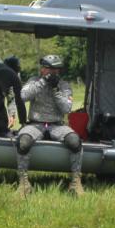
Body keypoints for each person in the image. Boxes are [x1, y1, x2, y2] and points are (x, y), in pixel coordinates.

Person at [16, 54, 84, 197]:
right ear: (42, 69)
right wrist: (43, 82)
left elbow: (66, 108)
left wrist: (55, 90)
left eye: (56, 69)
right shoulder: (34, 81)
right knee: (23, 142)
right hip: (35, 124)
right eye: (50, 69)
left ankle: (76, 182)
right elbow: (23, 96)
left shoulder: (64, 86)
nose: (53, 72)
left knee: (75, 141)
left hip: (57, 125)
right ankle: (24, 183)